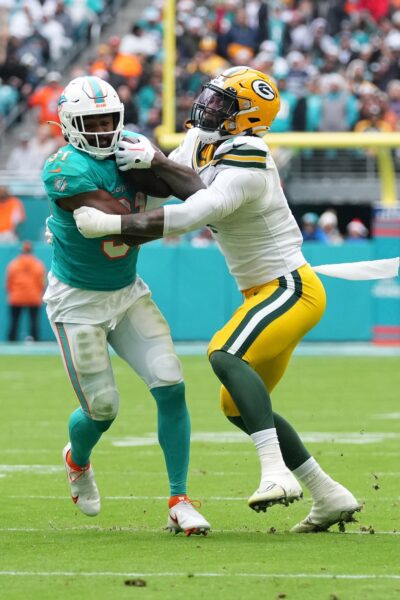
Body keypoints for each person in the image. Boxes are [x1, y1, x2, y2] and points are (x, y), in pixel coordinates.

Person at [74, 66, 361, 533]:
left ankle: (275, 472)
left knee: (225, 354)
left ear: (248, 116)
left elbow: (194, 212)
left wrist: (112, 225)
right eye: (210, 97)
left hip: (290, 287)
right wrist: (145, 163)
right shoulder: (201, 142)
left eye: (224, 103)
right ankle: (329, 494)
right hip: (262, 291)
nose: (208, 107)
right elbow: (168, 181)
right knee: (237, 406)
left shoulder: (251, 155)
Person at [42, 75, 210, 535]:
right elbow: (125, 227)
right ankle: (77, 460)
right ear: (69, 125)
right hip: (78, 302)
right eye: (91, 122)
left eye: (107, 120)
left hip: (127, 291)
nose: (102, 130)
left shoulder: (131, 145)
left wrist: (157, 161)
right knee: (103, 409)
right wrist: (183, 215)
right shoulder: (64, 168)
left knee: (171, 382)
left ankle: (179, 499)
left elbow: (198, 193)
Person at [6, 241, 46, 341]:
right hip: (33, 296)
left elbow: (9, 283)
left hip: (16, 296)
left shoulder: (13, 264)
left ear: (21, 251)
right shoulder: (38, 264)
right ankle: (35, 339)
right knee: (34, 322)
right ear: (31, 251)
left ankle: (11, 340)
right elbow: (42, 283)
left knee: (14, 321)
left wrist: (12, 293)